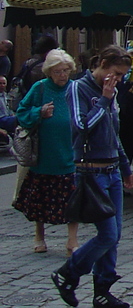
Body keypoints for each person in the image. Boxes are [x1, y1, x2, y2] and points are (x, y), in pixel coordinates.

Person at [51, 45, 133, 308]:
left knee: (116, 234)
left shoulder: (112, 92)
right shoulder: (79, 88)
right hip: (91, 171)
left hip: (111, 170)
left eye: (122, 75)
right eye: (116, 73)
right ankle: (68, 272)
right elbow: (82, 126)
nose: (118, 80)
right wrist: (105, 99)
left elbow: (113, 132)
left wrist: (125, 166)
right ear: (102, 64)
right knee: (107, 234)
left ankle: (102, 289)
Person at [13, 49, 80, 255]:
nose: (63, 75)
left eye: (66, 70)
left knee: (72, 198)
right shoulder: (40, 88)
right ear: (49, 72)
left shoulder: (75, 89)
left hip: (70, 152)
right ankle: (39, 235)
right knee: (41, 198)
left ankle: (72, 239)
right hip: (44, 153)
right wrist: (39, 112)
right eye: (58, 71)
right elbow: (22, 113)